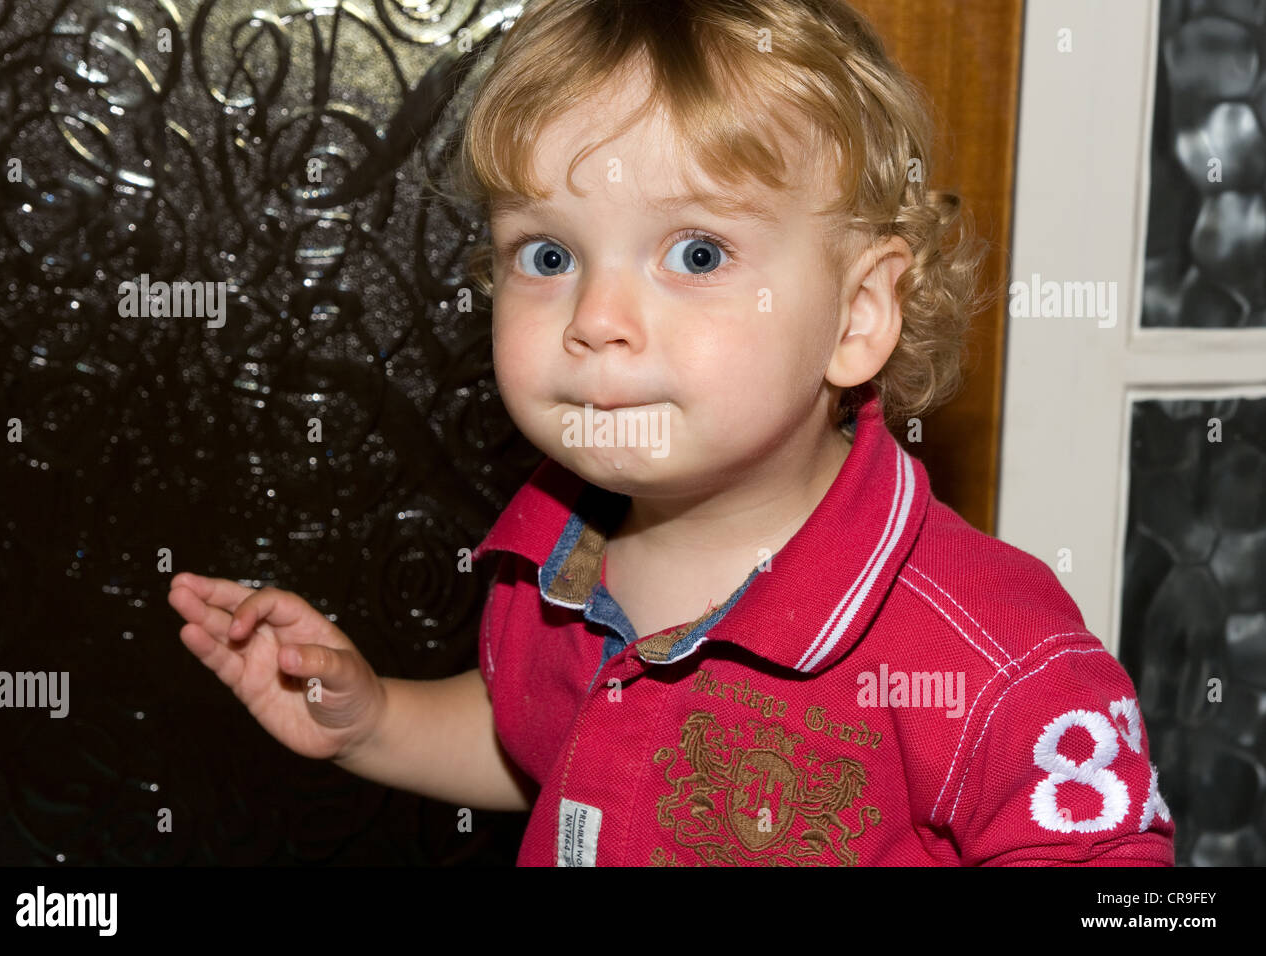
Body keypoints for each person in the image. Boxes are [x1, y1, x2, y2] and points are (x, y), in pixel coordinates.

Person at [169, 0, 1175, 866]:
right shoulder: (553, 558)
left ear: (858, 313)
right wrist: (376, 719)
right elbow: (550, 742)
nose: (593, 316)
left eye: (696, 252)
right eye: (549, 252)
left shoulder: (988, 649)